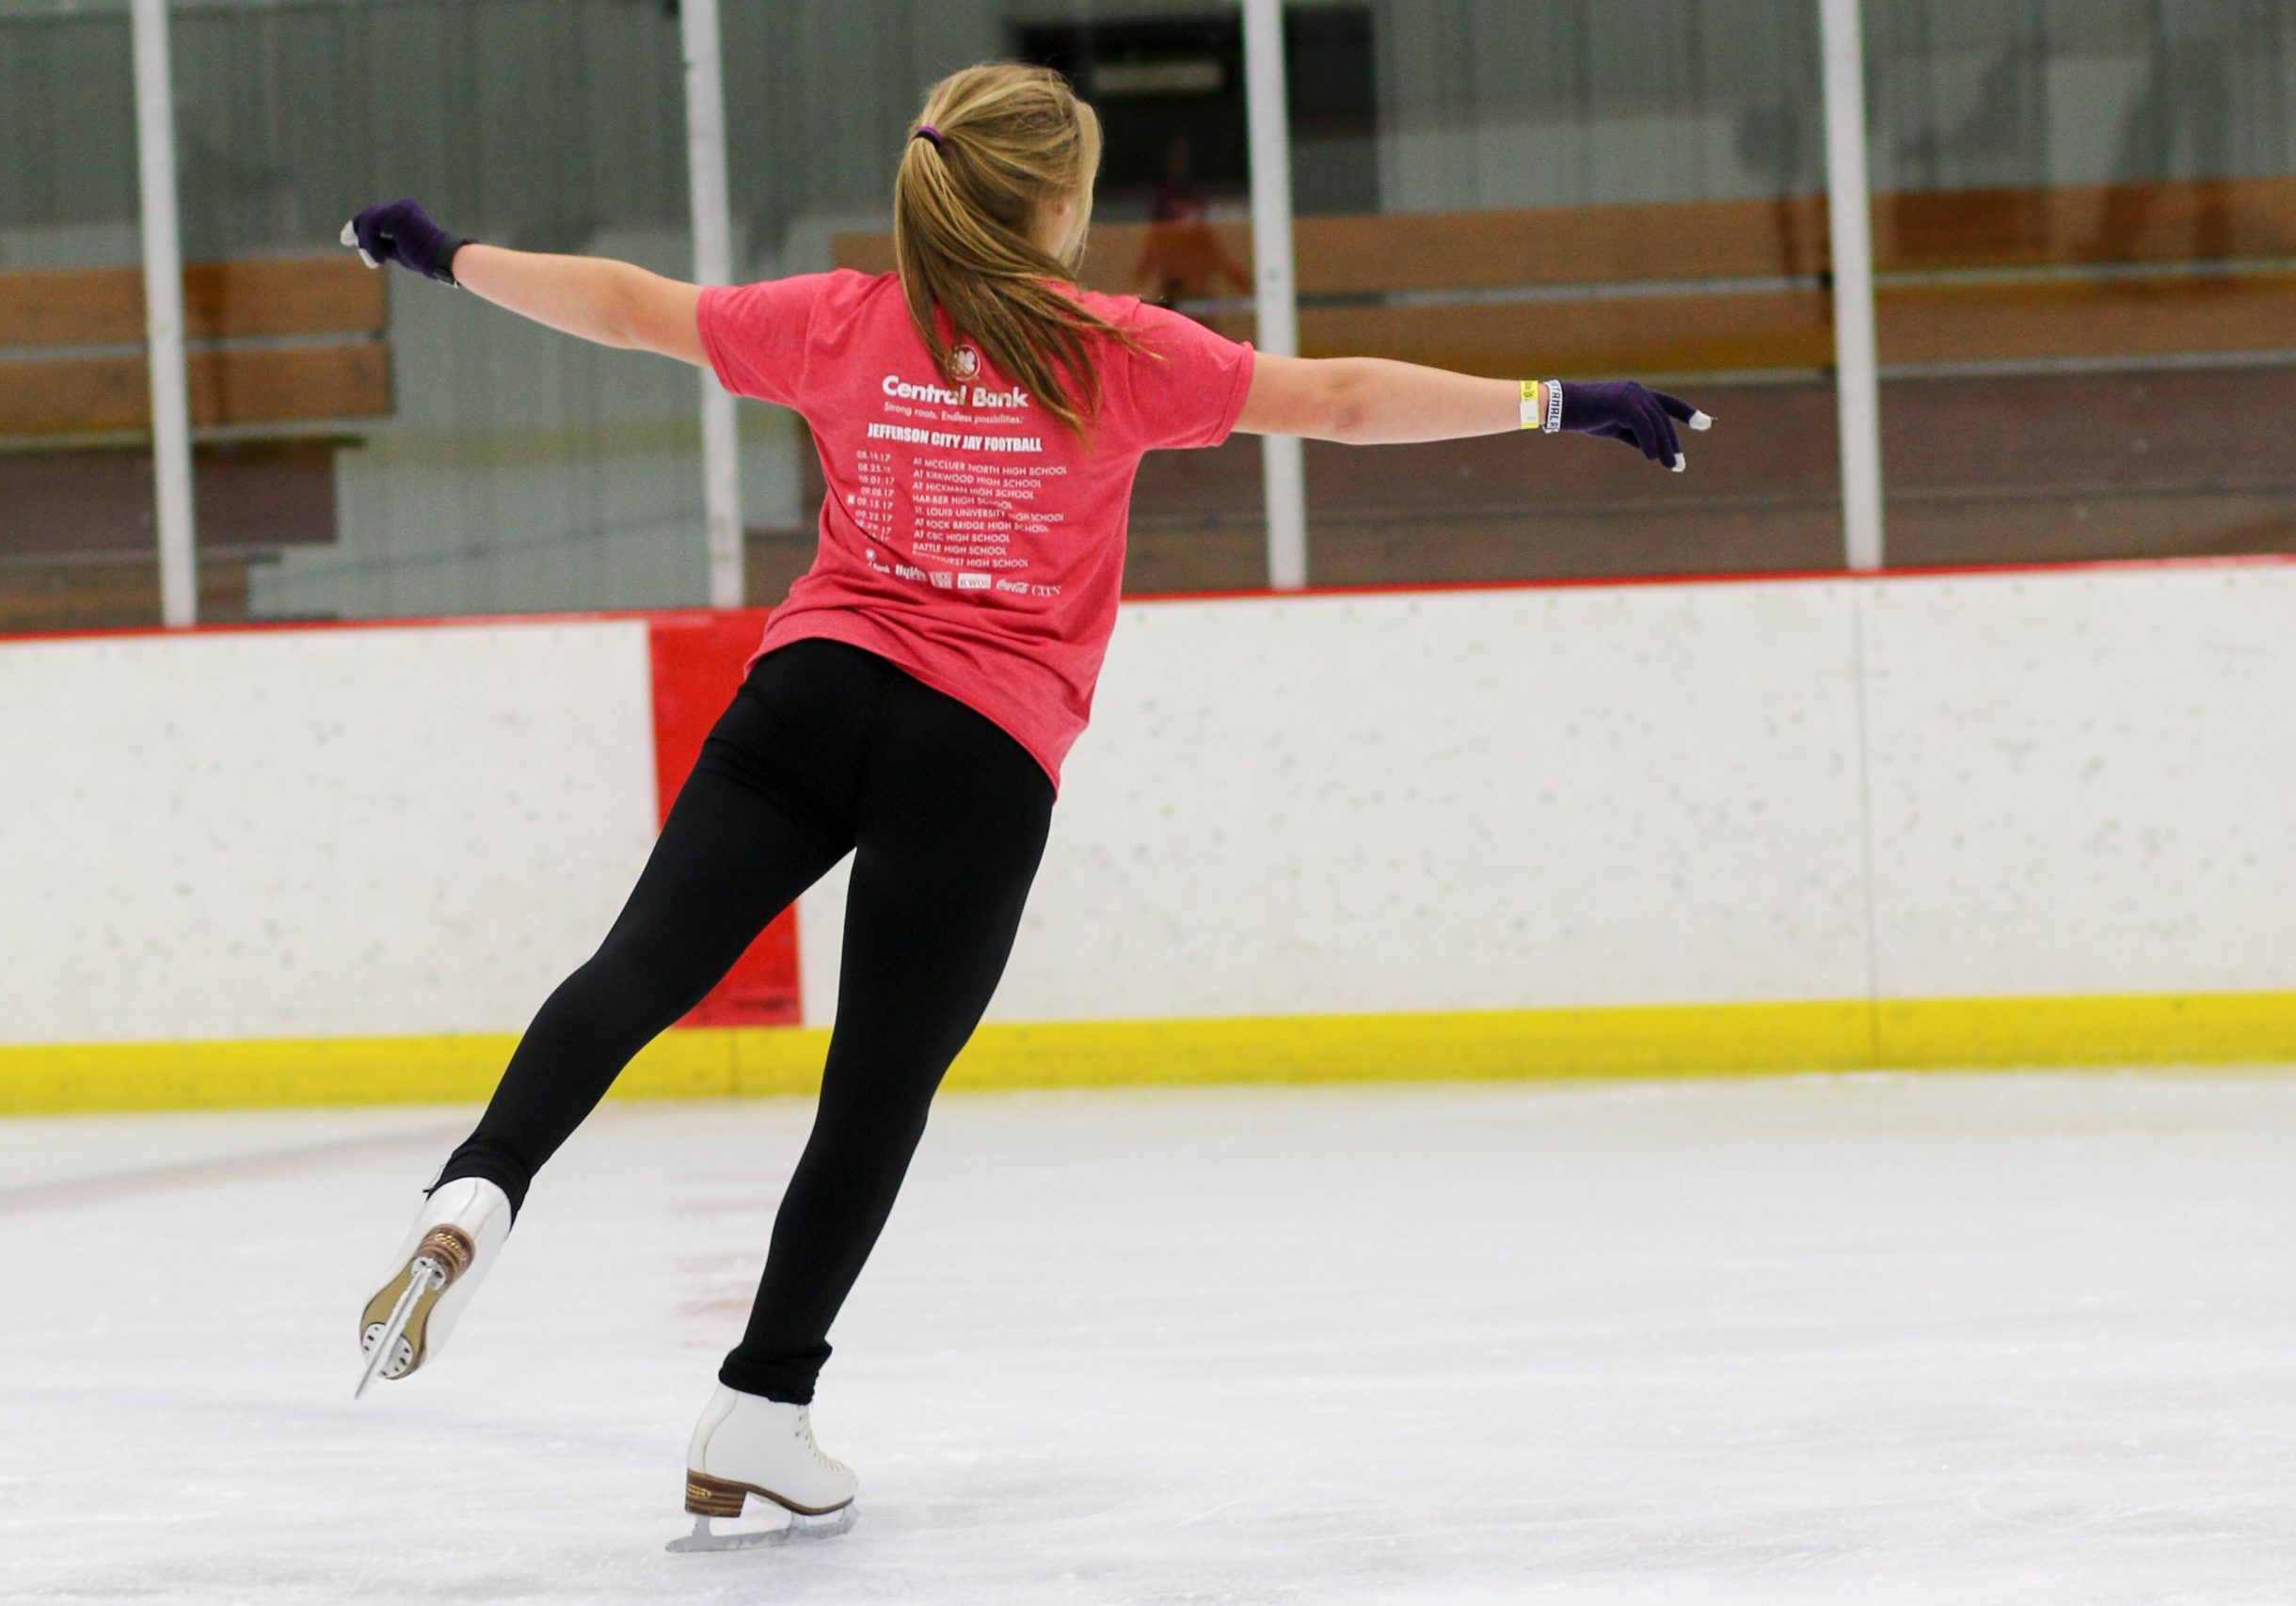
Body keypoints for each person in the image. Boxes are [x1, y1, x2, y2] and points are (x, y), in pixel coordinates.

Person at [344, 61, 1709, 1549]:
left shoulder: (842, 320)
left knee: (638, 970)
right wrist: (1560, 398)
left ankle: (481, 1186)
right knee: (874, 1088)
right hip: (979, 751)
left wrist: (448, 253)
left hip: (807, 693)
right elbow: (1342, 399)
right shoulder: (1114, 349)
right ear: (1059, 208)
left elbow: (623, 303)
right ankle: (761, 1406)